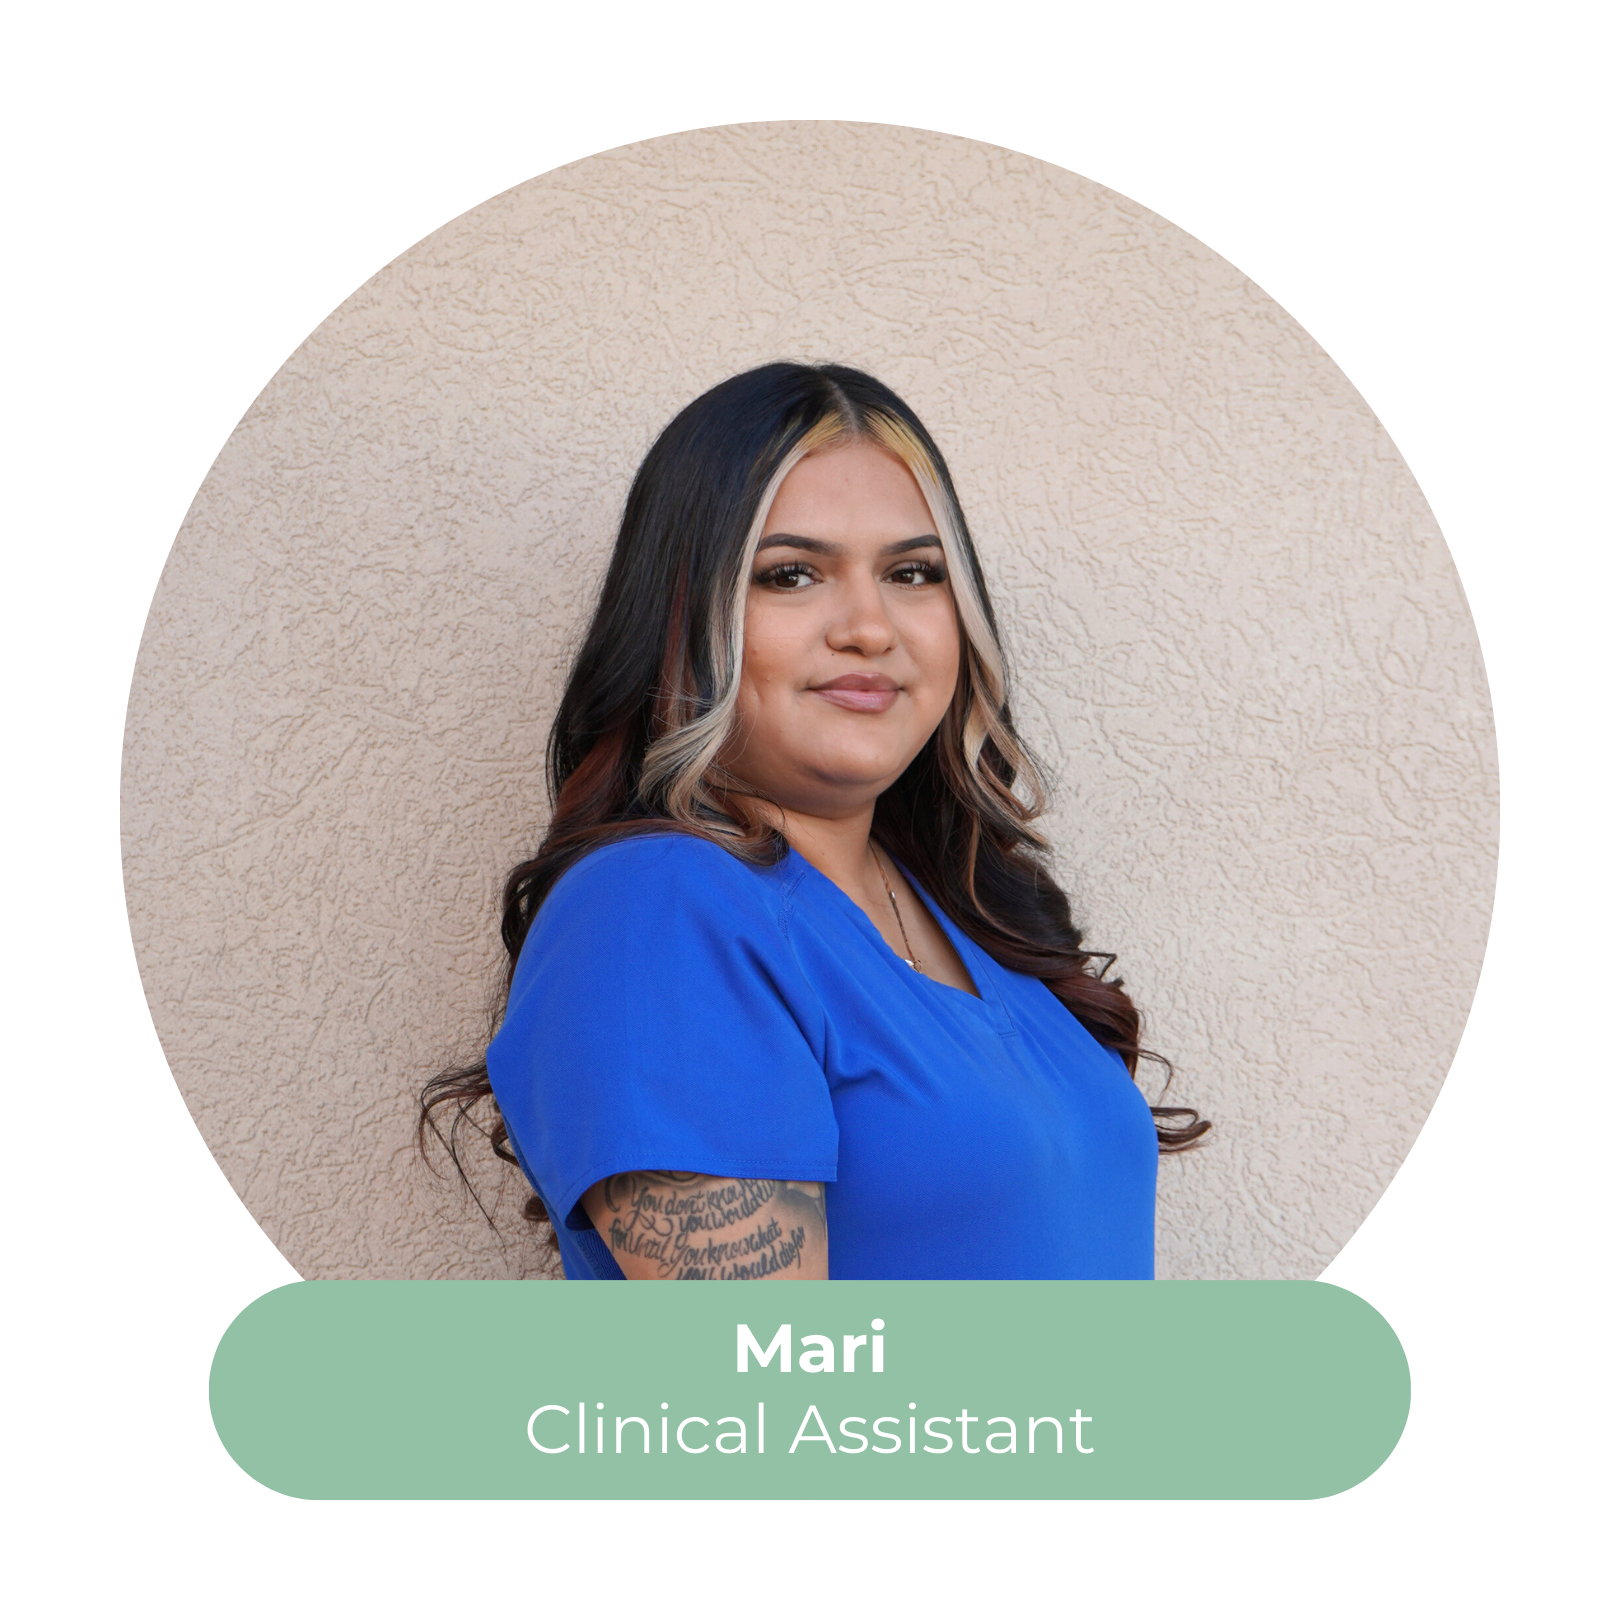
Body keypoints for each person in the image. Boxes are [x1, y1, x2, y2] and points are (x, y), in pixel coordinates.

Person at [420, 362, 1207, 1281]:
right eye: (792, 575)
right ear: (681, 619)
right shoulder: (658, 909)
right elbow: (774, 1402)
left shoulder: (972, 913)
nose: (870, 626)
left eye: (913, 573)